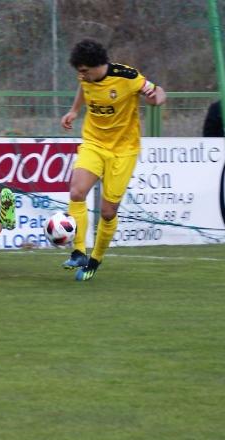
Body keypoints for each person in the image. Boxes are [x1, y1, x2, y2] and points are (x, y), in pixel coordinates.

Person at [59, 39, 166, 281]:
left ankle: (95, 260)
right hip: (94, 143)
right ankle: (78, 252)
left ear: (99, 65)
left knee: (107, 212)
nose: (81, 76)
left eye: (84, 71)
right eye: (79, 72)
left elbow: (157, 92)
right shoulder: (85, 77)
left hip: (123, 150)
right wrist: (75, 110)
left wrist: (156, 98)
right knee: (77, 192)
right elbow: (83, 90)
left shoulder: (127, 77)